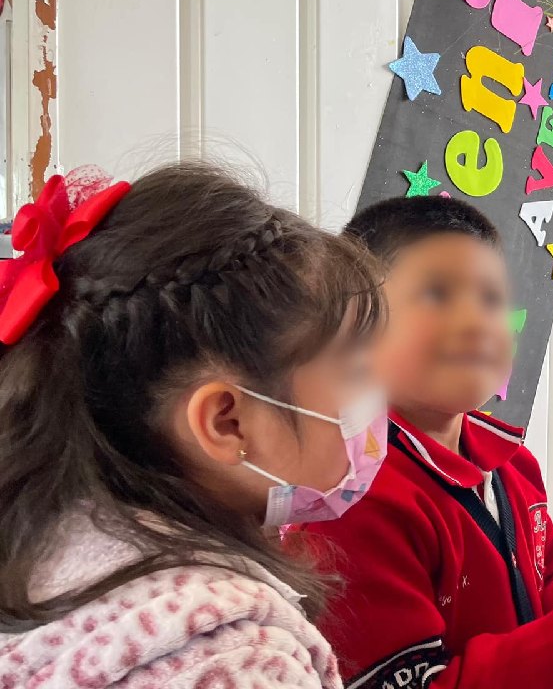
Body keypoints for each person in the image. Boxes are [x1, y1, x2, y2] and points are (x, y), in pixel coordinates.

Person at [0, 163, 387, 688]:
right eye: (355, 372)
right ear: (226, 422)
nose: (376, 401)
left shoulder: (46, 539)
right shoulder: (235, 659)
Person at [299, 196, 553, 689]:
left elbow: (541, 587)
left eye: (492, 299)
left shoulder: (512, 464)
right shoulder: (355, 499)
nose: (477, 321)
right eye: (437, 294)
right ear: (357, 325)